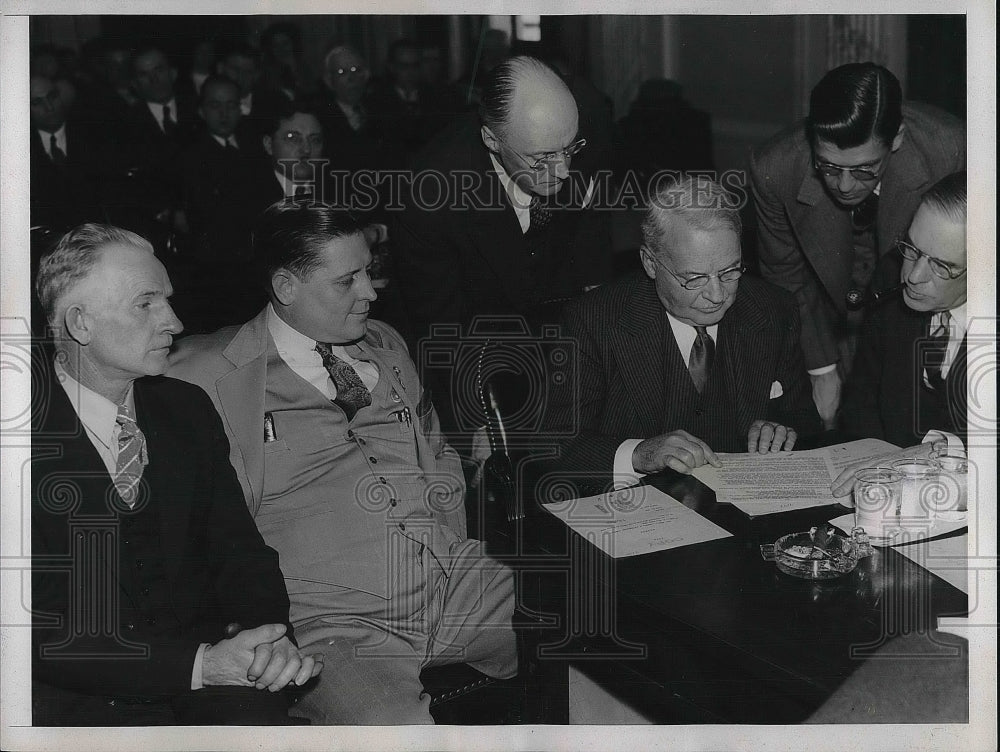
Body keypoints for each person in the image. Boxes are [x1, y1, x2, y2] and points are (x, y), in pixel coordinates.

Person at [168, 203, 517, 725]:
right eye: (346, 280)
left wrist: (447, 540)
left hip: (458, 587)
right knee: (395, 733)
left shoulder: (385, 343)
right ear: (285, 287)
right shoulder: (202, 374)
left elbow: (438, 451)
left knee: (594, 616)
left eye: (369, 271)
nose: (370, 291)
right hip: (333, 625)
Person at [31, 224, 321, 726]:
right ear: (80, 323)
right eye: (146, 304)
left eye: (167, 300)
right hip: (77, 699)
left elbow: (241, 554)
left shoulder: (184, 409)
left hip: (208, 682)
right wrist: (199, 666)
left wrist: (269, 638)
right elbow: (33, 632)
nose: (174, 321)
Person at [542, 176, 821, 495]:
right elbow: (554, 445)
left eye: (730, 272)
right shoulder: (593, 321)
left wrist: (782, 431)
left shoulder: (773, 309)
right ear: (650, 263)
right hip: (638, 512)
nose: (717, 295)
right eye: (695, 278)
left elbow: (807, 424)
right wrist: (638, 455)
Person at [750, 62, 965, 430]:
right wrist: (821, 370)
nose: (845, 186)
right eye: (829, 167)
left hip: (911, 326)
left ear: (897, 139)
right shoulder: (774, 168)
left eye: (865, 170)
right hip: (823, 326)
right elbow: (785, 275)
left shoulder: (951, 150)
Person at [393, 55, 612, 377]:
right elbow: (443, 334)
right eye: (542, 158)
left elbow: (591, 237)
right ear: (492, 140)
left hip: (562, 323)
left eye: (568, 150)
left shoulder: (573, 129)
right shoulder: (430, 196)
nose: (563, 171)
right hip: (481, 348)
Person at [838, 171, 968, 452]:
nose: (913, 276)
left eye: (941, 266)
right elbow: (861, 401)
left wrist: (945, 452)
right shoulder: (889, 276)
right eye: (912, 248)